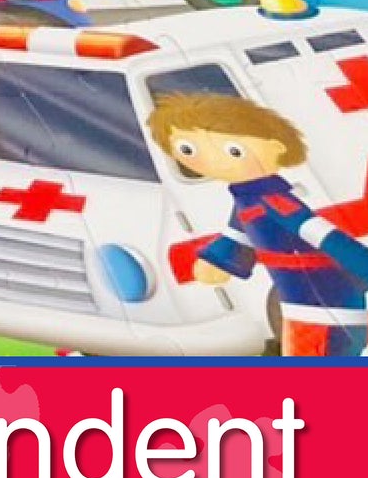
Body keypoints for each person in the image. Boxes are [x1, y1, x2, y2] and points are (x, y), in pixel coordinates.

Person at [147, 93, 368, 358]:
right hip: (303, 305)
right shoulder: (247, 198)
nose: (213, 161)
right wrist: (217, 260)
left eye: (233, 151)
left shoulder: (275, 201)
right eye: (187, 150)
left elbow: (324, 235)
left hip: (324, 306)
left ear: (276, 149)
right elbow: (238, 235)